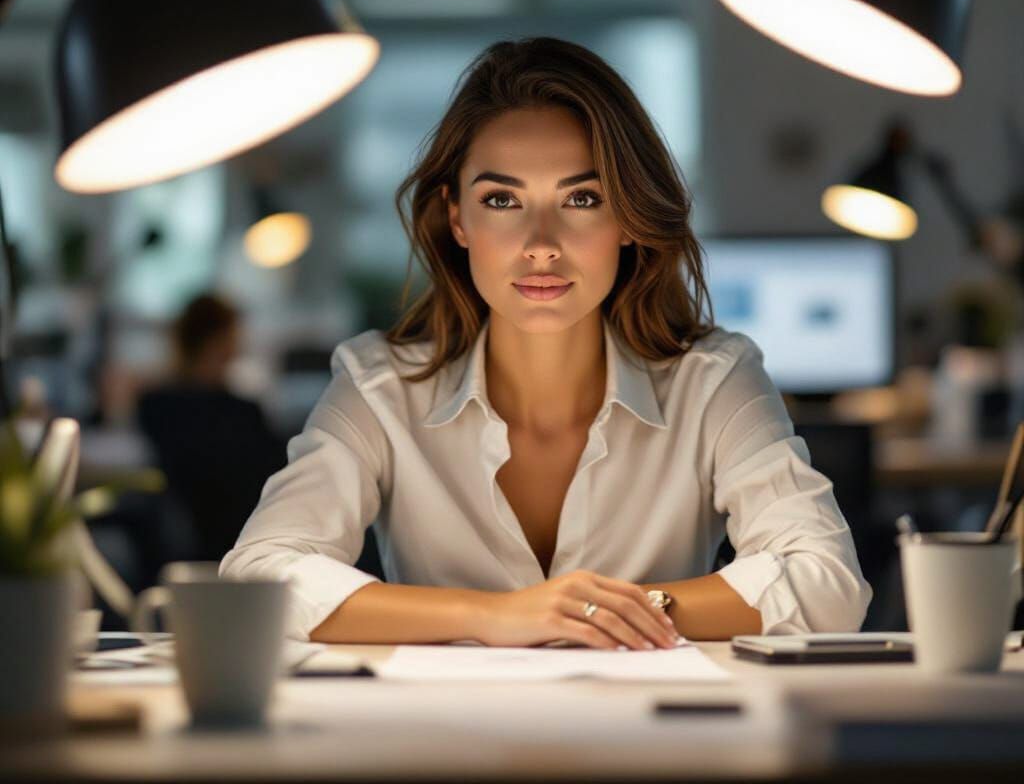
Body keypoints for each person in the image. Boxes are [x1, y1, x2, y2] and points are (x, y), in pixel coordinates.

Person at [221, 37, 872, 648]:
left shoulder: (714, 380)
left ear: (627, 217)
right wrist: (495, 616)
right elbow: (258, 575)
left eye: (582, 197)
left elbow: (828, 581)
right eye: (502, 200)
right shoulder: (378, 385)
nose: (540, 243)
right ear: (458, 219)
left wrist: (597, 612)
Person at [138, 293, 286, 564]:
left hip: (175, 546)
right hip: (239, 543)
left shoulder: (153, 404)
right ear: (219, 339)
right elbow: (277, 475)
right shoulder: (241, 412)